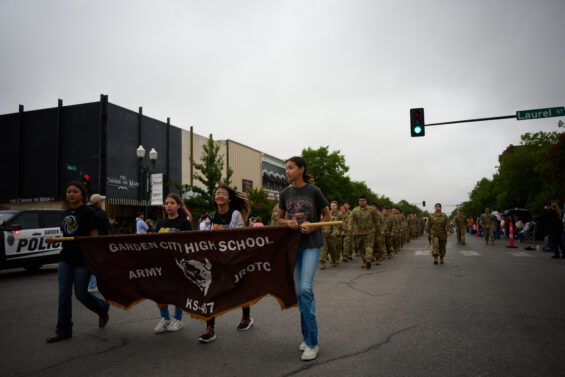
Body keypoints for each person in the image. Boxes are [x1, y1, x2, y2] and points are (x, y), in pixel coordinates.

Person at [278, 156, 330, 361]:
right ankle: (306, 335)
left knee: (306, 289)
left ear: (301, 169)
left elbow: (327, 216)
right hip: (293, 247)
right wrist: (287, 223)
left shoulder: (314, 191)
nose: (287, 171)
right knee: (300, 292)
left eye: (291, 168)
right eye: (286, 169)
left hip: (312, 245)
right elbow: (279, 218)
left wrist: (314, 226)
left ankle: (313, 342)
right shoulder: (285, 193)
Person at [45, 181, 110, 343]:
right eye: (68, 191)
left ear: (82, 194)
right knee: (63, 295)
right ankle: (63, 330)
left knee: (81, 294)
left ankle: (102, 309)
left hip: (83, 260)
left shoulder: (88, 212)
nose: (71, 194)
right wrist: (53, 240)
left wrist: (95, 256)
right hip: (65, 258)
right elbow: (66, 236)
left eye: (74, 191)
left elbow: (94, 237)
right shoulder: (64, 213)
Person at [198, 185, 253, 343]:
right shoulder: (211, 218)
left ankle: (246, 318)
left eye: (223, 193)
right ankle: (210, 328)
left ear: (229, 198)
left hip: (233, 259)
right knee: (211, 292)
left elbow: (242, 235)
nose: (219, 195)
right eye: (217, 193)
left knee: (240, 289)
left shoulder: (235, 214)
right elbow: (203, 239)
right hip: (216, 261)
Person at [153, 193, 192, 333]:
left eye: (172, 203)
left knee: (178, 292)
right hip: (162, 263)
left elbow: (189, 244)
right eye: (166, 203)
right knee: (159, 292)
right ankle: (165, 318)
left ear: (179, 205)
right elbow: (154, 243)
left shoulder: (184, 223)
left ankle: (178, 319)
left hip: (179, 264)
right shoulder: (160, 223)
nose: (169, 205)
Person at [87, 193, 114, 292]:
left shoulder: (87, 210)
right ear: (98, 202)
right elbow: (106, 226)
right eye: (101, 200)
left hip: (89, 240)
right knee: (100, 262)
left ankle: (90, 283)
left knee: (91, 261)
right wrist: (110, 223)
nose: (102, 202)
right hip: (100, 239)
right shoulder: (101, 212)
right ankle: (93, 284)